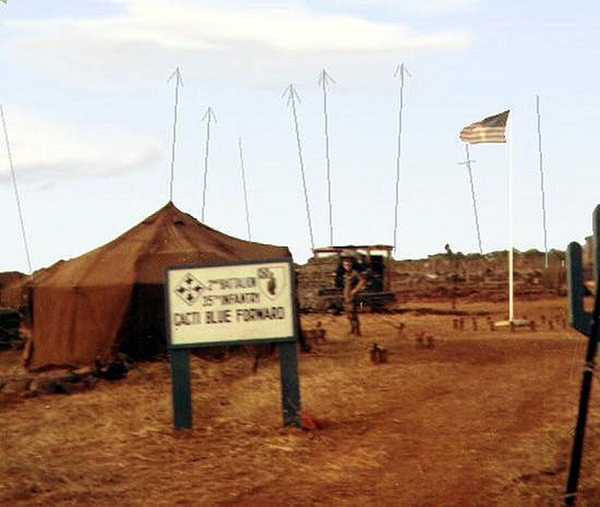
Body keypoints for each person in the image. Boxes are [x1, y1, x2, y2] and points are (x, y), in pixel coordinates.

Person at [341, 255, 367, 336]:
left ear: (351, 265)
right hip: (346, 296)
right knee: (348, 314)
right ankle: (352, 329)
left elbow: (362, 281)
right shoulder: (346, 274)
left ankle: (357, 331)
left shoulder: (355, 273)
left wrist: (355, 290)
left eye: (348, 265)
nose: (347, 267)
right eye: (345, 265)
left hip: (352, 297)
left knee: (353, 314)